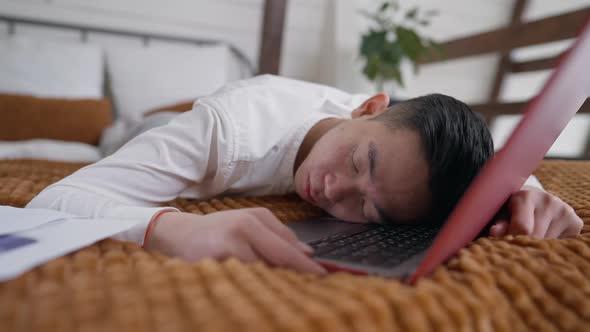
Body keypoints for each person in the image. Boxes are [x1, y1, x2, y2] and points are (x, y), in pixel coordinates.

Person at [26, 75, 583, 275]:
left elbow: (462, 164)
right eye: (360, 163)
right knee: (108, 132)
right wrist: (170, 228)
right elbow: (58, 198)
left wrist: (524, 190)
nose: (334, 191)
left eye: (369, 210)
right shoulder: (229, 129)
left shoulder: (388, 139)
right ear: (367, 107)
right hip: (153, 129)